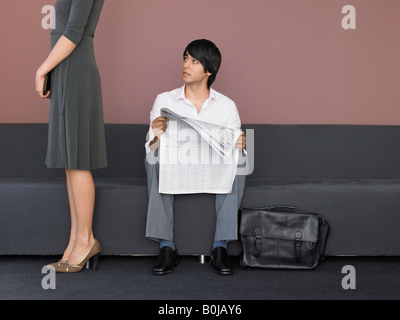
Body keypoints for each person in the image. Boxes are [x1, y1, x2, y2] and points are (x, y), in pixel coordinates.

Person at [144, 39, 246, 275]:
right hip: (177, 161)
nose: (186, 65)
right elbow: (152, 145)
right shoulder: (165, 100)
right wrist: (156, 134)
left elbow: (234, 144)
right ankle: (166, 246)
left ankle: (220, 246)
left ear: (208, 71)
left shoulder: (227, 106)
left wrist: (239, 144)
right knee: (153, 155)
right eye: (185, 58)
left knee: (241, 159)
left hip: (213, 163)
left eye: (194, 61)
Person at [35, 0, 106, 273]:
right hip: (67, 68)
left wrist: (42, 69)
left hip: (75, 69)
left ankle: (86, 240)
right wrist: (53, 71)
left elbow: (74, 32)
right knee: (70, 161)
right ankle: (75, 241)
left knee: (77, 160)